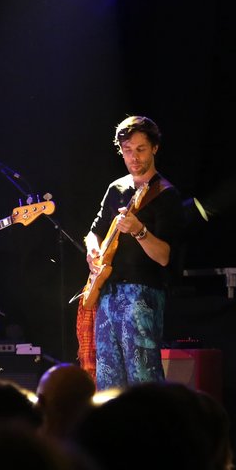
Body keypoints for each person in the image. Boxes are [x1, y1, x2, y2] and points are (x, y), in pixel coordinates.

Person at [83, 115, 182, 390]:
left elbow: (164, 256)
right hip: (108, 293)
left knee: (143, 379)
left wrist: (139, 231)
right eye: (128, 150)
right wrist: (92, 252)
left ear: (154, 148)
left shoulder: (166, 194)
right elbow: (94, 231)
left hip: (143, 295)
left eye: (140, 149)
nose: (134, 157)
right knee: (107, 381)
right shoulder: (116, 189)